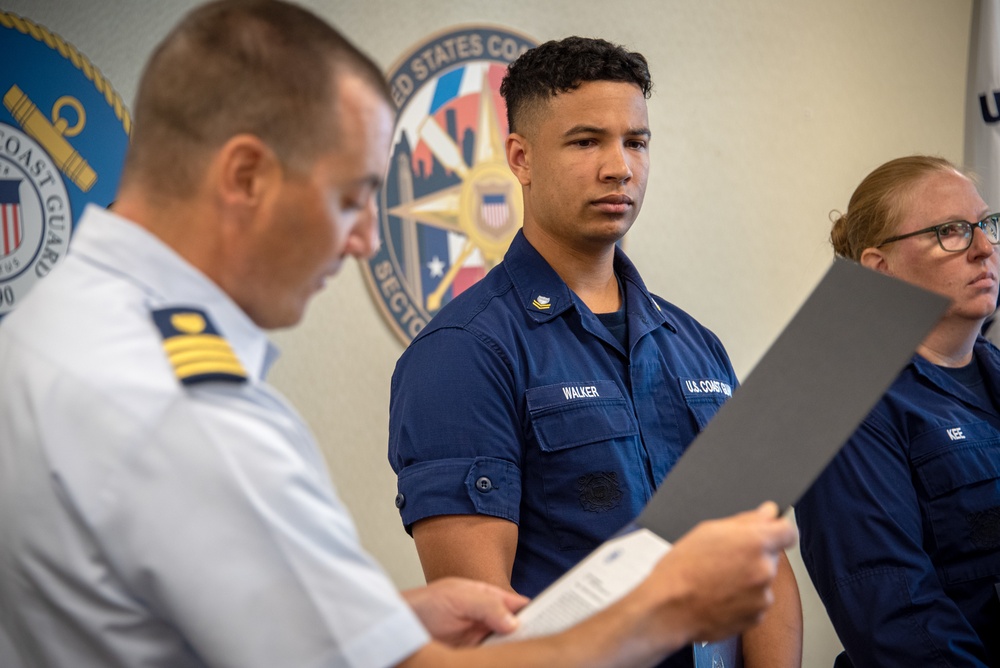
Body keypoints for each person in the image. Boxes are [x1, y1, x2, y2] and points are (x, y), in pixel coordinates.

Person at [0, 2, 798, 667]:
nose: (363, 243)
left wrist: (388, 616)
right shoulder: (190, 406)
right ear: (245, 175)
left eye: (635, 143)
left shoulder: (61, 323)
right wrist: (673, 602)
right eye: (351, 199)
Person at [387, 36, 802, 667]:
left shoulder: (695, 345)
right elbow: (480, 617)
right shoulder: (463, 352)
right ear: (520, 159)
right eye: (586, 142)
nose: (620, 167)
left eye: (636, 142)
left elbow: (762, 566)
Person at [796, 155, 1000, 667]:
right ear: (879, 268)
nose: (983, 249)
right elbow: (897, 619)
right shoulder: (844, 402)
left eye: (987, 225)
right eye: (951, 232)